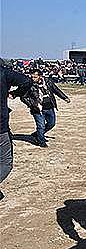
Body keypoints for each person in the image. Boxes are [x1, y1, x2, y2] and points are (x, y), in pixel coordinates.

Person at [0, 65, 33, 201]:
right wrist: (16, 93)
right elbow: (27, 82)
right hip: (0, 127)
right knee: (6, 162)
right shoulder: (3, 72)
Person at [20, 68, 70, 147]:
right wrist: (32, 104)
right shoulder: (29, 84)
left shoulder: (48, 82)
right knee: (41, 126)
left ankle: (37, 134)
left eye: (35, 77)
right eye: (32, 77)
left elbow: (56, 90)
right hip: (37, 109)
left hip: (49, 107)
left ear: (40, 76)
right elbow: (23, 97)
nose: (33, 79)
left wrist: (64, 97)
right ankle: (41, 141)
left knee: (51, 124)